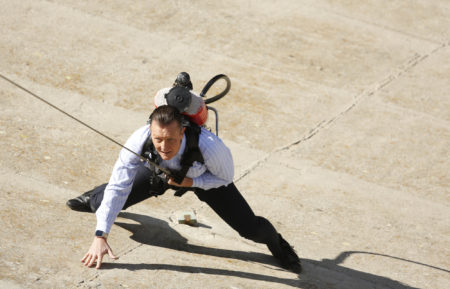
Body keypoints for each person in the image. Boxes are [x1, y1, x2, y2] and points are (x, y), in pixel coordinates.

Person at [66, 104, 302, 273]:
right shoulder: (139, 140)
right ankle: (93, 197)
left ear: (183, 132)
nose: (163, 146)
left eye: (170, 139)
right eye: (158, 139)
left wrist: (194, 182)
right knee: (103, 205)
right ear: (150, 130)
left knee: (252, 229)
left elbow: (225, 178)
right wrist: (101, 235)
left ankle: (280, 246)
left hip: (205, 178)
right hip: (160, 174)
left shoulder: (211, 148)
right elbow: (119, 184)